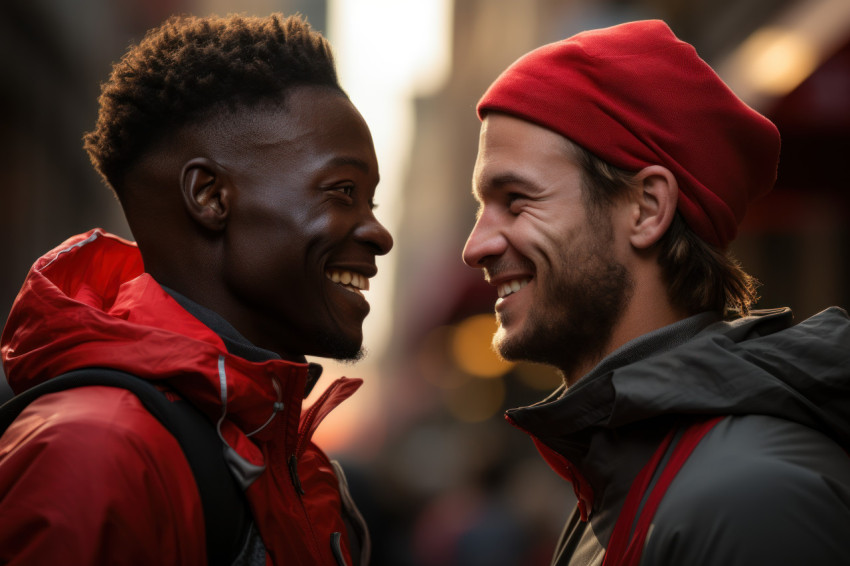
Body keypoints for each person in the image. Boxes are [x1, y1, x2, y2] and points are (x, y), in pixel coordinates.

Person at [0, 13, 392, 566]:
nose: (379, 233)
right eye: (342, 191)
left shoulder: (297, 463)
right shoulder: (94, 453)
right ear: (209, 196)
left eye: (370, 201)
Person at [462, 19, 850, 566]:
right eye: (483, 206)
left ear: (646, 209)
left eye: (517, 199)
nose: (475, 246)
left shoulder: (751, 501)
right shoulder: (619, 477)